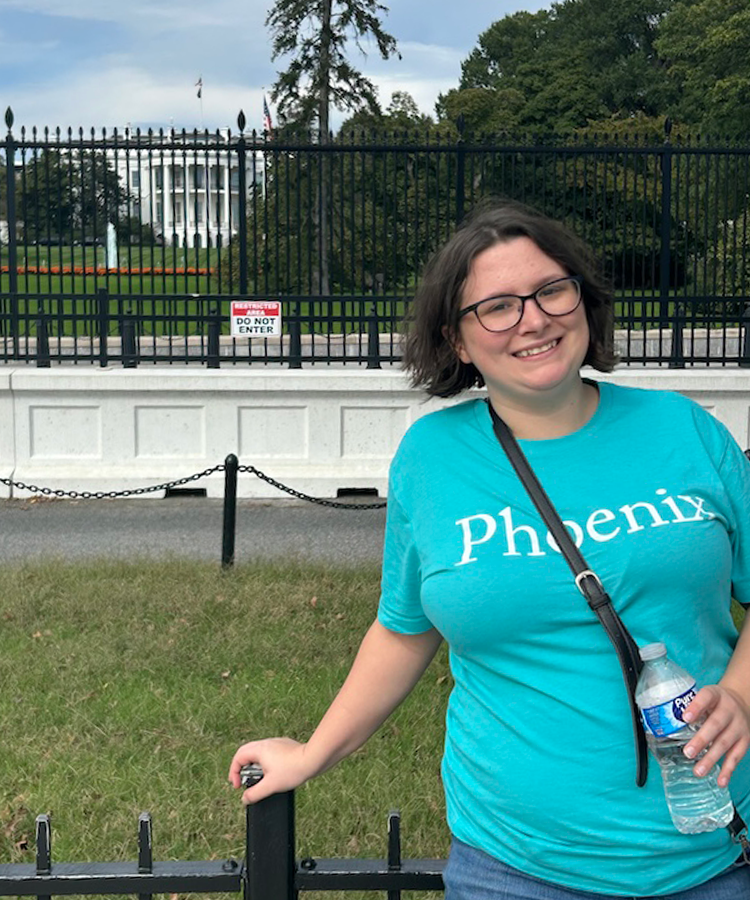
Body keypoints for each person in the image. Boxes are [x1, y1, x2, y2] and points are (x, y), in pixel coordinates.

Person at [229, 200, 750, 898]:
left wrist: (741, 695)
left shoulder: (684, 430)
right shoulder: (434, 459)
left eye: (551, 290)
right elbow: (403, 629)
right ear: (457, 342)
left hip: (709, 851)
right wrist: (313, 753)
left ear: (585, 302)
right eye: (497, 307)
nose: (533, 319)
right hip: (515, 866)